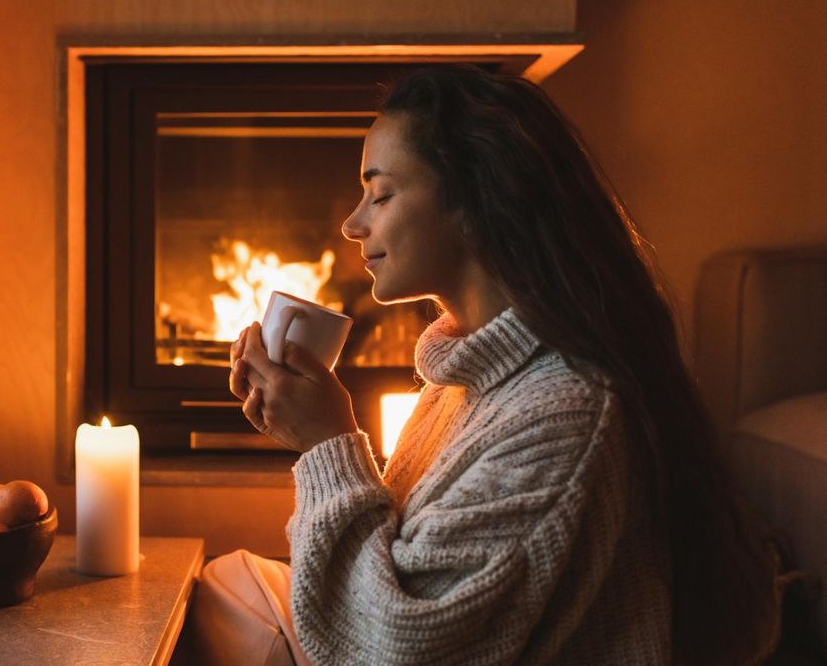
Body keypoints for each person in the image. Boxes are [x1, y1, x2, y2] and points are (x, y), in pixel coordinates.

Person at [189, 65, 779, 666]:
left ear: (477, 204)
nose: (352, 223)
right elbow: (404, 563)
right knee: (226, 585)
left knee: (227, 609)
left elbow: (395, 650)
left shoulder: (567, 413)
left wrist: (327, 443)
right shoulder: (466, 382)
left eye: (382, 193)